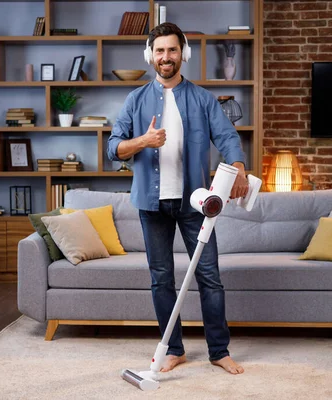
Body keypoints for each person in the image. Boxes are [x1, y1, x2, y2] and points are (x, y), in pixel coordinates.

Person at [107, 22, 249, 375]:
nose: (166, 57)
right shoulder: (135, 100)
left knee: (210, 277)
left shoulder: (202, 98)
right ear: (150, 55)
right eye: (159, 51)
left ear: (182, 54)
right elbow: (114, 148)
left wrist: (239, 167)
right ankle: (173, 349)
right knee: (161, 279)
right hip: (151, 206)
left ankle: (219, 350)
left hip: (196, 202)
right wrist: (143, 141)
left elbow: (228, 137)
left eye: (172, 50)